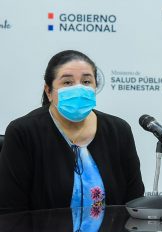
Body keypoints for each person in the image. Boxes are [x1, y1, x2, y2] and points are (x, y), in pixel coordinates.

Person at [0, 50, 145, 214]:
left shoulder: (118, 130)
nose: (78, 88)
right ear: (49, 91)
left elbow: (135, 203)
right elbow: (10, 212)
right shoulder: (23, 133)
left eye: (86, 81)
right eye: (68, 83)